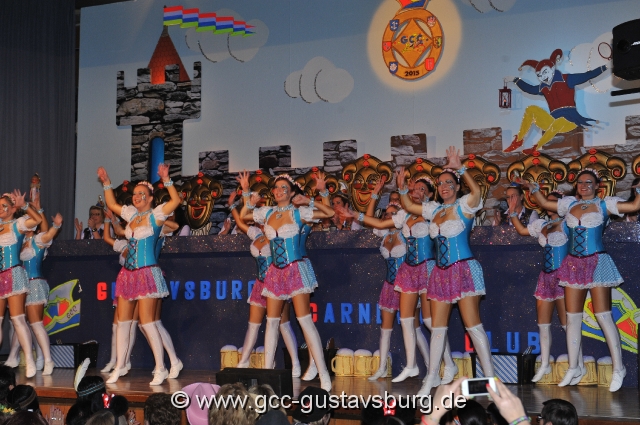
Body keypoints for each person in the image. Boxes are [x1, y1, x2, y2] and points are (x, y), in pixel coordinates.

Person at [525, 168, 640, 392]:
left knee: (603, 315)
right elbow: (545, 204)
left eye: (588, 182)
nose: (584, 185)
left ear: (597, 185)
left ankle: (619, 368)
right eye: (580, 182)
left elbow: (634, 206)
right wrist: (534, 189)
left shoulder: (605, 204)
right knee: (572, 318)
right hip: (573, 264)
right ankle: (574, 367)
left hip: (596, 261)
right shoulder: (568, 205)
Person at [338, 175, 453, 383]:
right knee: (406, 320)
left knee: (429, 321)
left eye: (421, 188)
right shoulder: (404, 215)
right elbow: (379, 223)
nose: (416, 191)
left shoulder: (432, 211)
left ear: (429, 193)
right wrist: (355, 214)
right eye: (414, 188)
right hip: (408, 271)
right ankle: (411, 365)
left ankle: (449, 364)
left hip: (427, 267)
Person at [399, 147, 494, 395]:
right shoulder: (433, 210)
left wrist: (461, 167)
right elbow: (407, 203)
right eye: (440, 183)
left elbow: (477, 191)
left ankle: (490, 381)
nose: (443, 186)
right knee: (437, 328)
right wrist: (401, 188)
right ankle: (431, 378)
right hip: (440, 273)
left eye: (449, 183)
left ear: (457, 186)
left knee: (472, 325)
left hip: (463, 269)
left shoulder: (464, 206)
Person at [239, 171, 335, 391]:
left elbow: (329, 212)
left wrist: (314, 197)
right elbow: (244, 216)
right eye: (276, 187)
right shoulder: (267, 212)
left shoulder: (298, 213)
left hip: (295, 269)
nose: (279, 191)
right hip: (275, 272)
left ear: (292, 193)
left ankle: (323, 373)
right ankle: (267, 375)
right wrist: (247, 195)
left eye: (284, 188)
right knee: (272, 322)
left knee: (304, 321)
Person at [97, 164, 181, 386]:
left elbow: (175, 201)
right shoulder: (131, 215)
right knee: (123, 323)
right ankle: (119, 366)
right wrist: (106, 182)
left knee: (147, 322)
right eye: (134, 194)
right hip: (127, 275)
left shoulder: (156, 216)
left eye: (141, 194)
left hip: (147, 273)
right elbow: (112, 204)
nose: (136, 197)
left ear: (150, 198)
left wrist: (167, 179)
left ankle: (161, 367)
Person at [231, 192, 301, 378]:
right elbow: (240, 223)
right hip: (260, 284)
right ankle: (243, 362)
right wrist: (232, 206)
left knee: (283, 325)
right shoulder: (256, 234)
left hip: (278, 283)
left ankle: (295, 363)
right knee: (253, 325)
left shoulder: (280, 235)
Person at [507, 190, 574, 383]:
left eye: (553, 202)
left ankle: (576, 364)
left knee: (567, 324)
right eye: (548, 201)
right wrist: (512, 212)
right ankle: (544, 364)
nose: (550, 205)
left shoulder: (567, 224)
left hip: (562, 277)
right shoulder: (542, 224)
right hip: (545, 277)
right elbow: (521, 231)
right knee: (543, 324)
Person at [12, 192, 62, 376]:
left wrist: (56, 226)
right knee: (20, 324)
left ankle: (48, 359)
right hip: (20, 286)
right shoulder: (17, 242)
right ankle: (27, 357)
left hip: (34, 284)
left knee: (35, 324)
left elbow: (47, 233)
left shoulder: (38, 240)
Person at [0, 190, 42, 378]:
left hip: (14, 274)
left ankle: (30, 360)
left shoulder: (17, 225)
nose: (0, 209)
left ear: (12, 208)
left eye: (3, 206)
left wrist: (24, 205)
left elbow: (37, 220)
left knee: (18, 319)